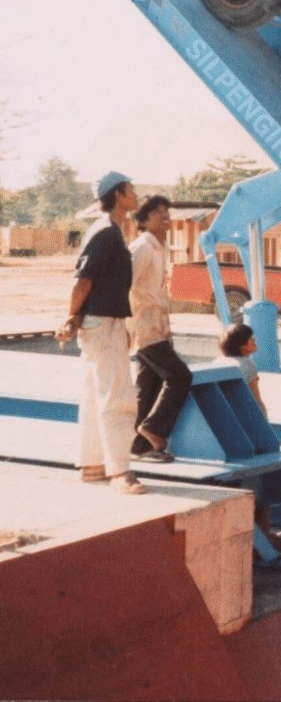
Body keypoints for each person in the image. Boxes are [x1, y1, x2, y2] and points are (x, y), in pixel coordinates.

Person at [54, 171, 145, 495]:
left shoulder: (110, 231)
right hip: (103, 323)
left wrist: (78, 317)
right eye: (131, 189)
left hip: (104, 322)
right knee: (118, 397)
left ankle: (92, 464)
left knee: (96, 395)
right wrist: (71, 315)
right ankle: (121, 472)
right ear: (118, 194)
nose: (136, 195)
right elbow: (82, 280)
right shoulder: (106, 231)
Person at [128, 195, 192, 462]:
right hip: (145, 326)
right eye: (157, 212)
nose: (165, 216)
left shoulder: (159, 247)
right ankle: (153, 429)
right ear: (142, 220)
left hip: (158, 325)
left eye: (167, 211)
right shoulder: (142, 248)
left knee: (148, 384)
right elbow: (123, 285)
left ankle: (139, 447)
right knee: (179, 376)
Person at [216, 323, 266, 416]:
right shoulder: (247, 365)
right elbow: (257, 401)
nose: (254, 340)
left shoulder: (218, 362)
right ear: (241, 345)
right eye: (250, 338)